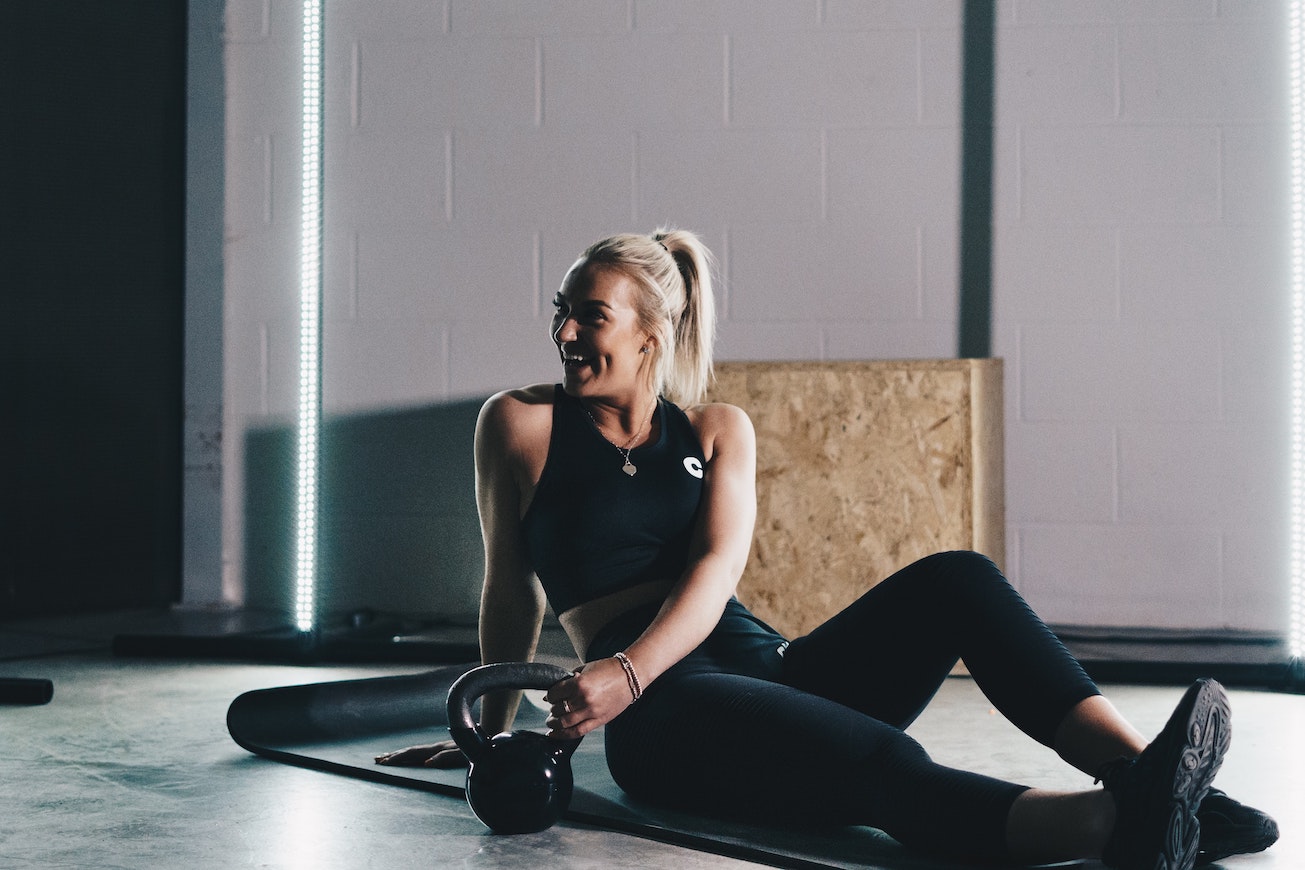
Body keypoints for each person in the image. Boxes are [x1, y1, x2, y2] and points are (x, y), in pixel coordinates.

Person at [377, 229, 1278, 868]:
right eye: (561, 313)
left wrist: (625, 670)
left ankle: (1148, 779)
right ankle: (1112, 827)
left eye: (590, 316)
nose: (565, 334)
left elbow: (714, 572)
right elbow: (511, 589)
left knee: (959, 579)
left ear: (651, 334)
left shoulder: (717, 429)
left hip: (762, 667)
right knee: (878, 764)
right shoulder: (521, 424)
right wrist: (494, 733)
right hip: (664, 716)